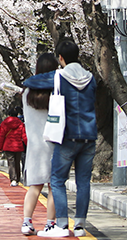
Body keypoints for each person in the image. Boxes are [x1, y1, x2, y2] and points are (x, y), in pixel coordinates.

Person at [24, 40, 97, 238]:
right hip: (89, 136)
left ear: (61, 58)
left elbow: (31, 82)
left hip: (69, 135)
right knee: (83, 182)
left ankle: (62, 225)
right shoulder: (91, 78)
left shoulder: (59, 76)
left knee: (56, 180)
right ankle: (80, 225)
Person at [20, 53, 60, 235]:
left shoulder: (26, 92)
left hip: (35, 145)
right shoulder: (58, 90)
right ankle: (50, 223)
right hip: (55, 143)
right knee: (54, 186)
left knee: (35, 186)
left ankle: (27, 222)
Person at [0, 105, 27, 187]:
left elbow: (1, 136)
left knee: (11, 163)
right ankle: (17, 178)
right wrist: (27, 144)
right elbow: (24, 135)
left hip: (8, 145)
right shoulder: (20, 123)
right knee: (17, 162)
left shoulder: (4, 123)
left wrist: (0, 147)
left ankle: (13, 179)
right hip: (18, 146)